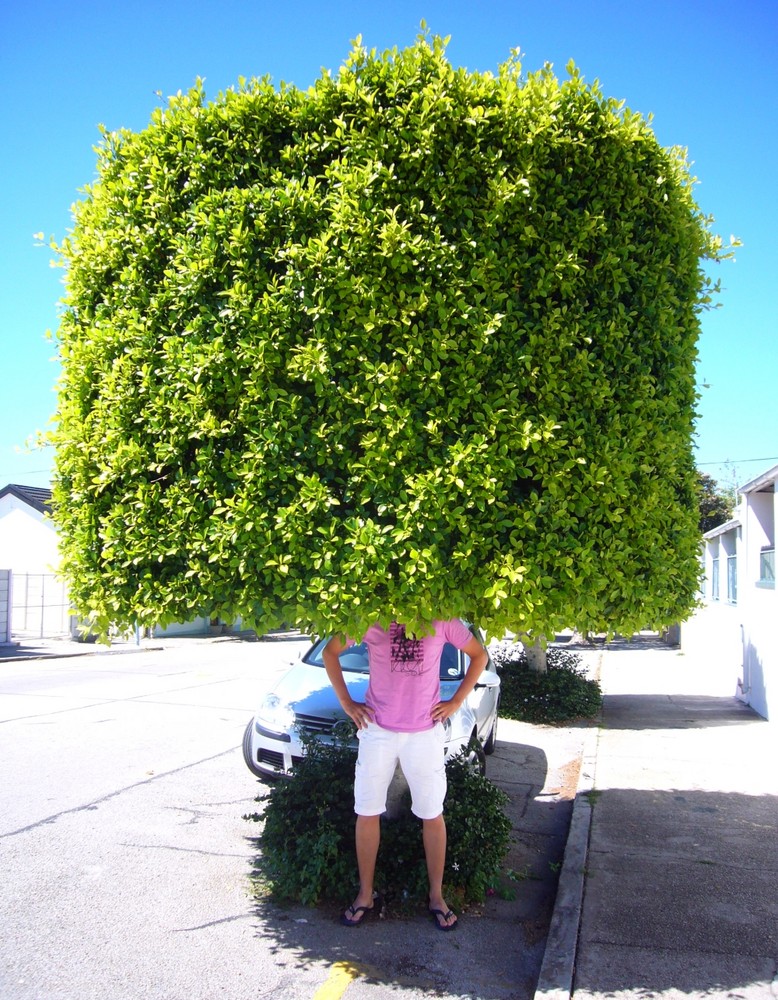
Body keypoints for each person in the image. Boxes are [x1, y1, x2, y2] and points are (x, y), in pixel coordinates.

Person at [322, 619, 489, 931]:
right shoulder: (372, 615)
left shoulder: (442, 617)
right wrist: (347, 703)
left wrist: (455, 702)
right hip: (377, 730)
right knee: (367, 810)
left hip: (424, 734)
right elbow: (330, 652)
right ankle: (364, 895)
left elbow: (479, 655)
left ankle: (436, 897)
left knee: (432, 813)